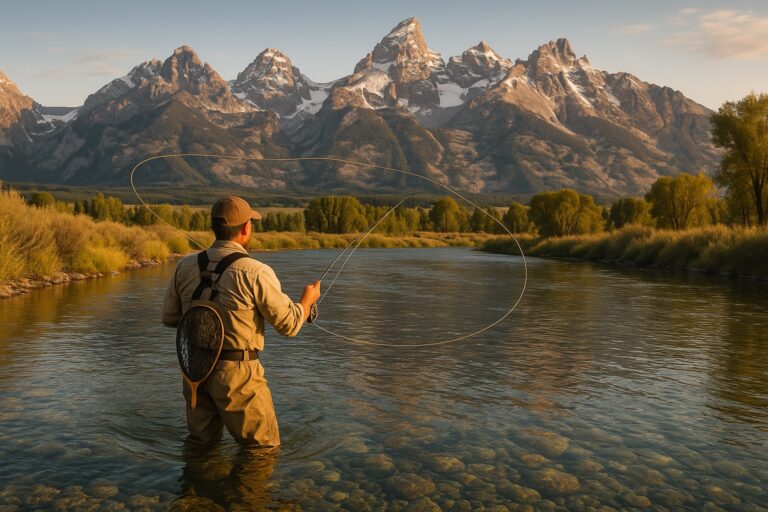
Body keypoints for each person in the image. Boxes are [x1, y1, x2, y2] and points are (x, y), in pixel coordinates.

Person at [162, 195, 321, 446]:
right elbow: (289, 325)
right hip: (239, 376)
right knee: (262, 451)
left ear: (214, 227)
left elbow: (171, 319)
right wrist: (306, 301)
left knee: (201, 448)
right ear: (246, 228)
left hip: (195, 370)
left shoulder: (185, 266)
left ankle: (196, 485)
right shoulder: (255, 271)